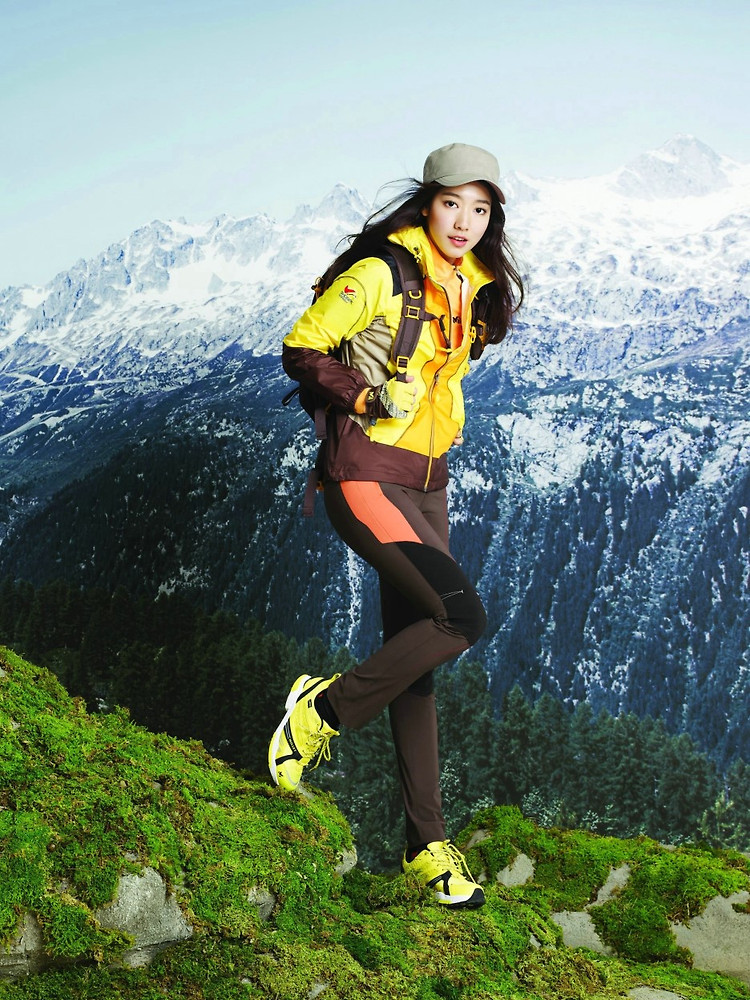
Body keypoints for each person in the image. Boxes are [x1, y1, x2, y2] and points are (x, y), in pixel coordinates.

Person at [269, 143, 524, 909]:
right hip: (366, 474)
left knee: (419, 659)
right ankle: (321, 712)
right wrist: (362, 396)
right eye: (452, 204)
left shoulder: (472, 285)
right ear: (427, 203)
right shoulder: (384, 272)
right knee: (462, 616)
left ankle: (424, 845)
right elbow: (302, 347)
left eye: (480, 209)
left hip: (428, 483)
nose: (465, 221)